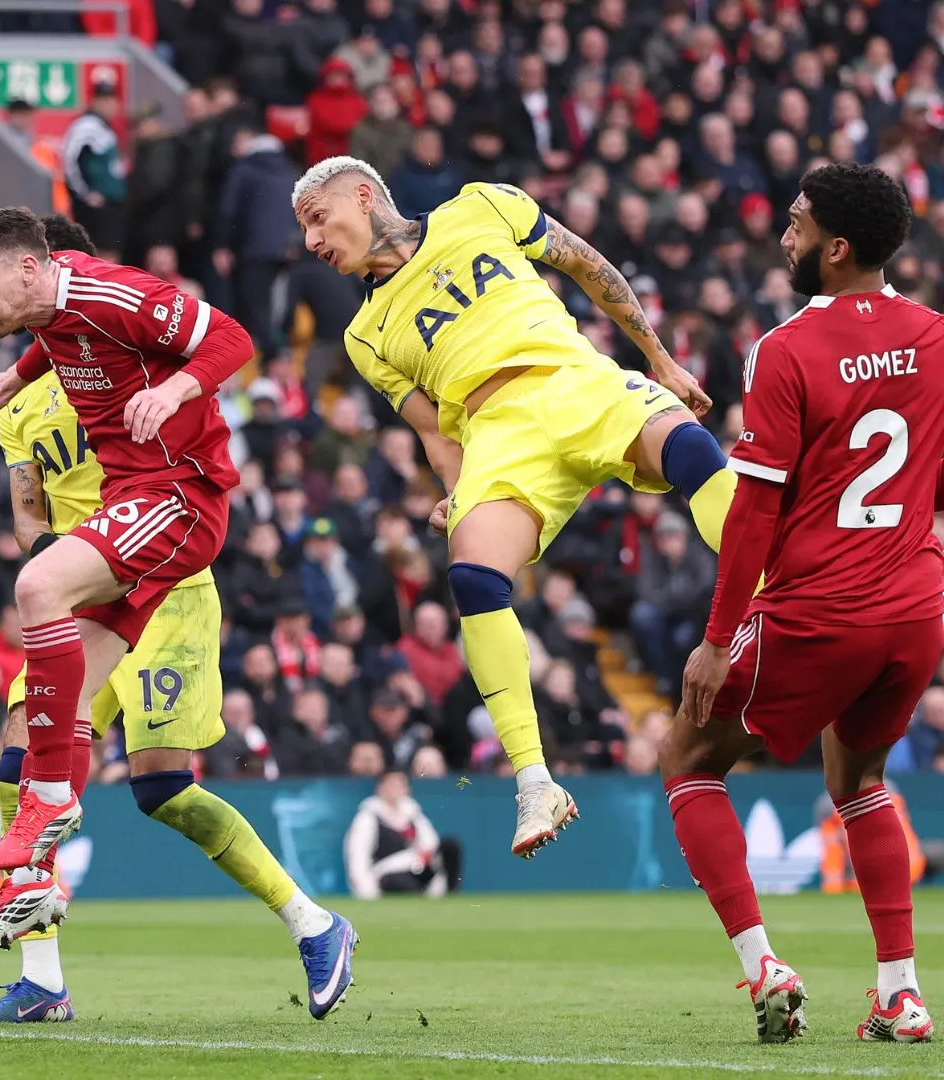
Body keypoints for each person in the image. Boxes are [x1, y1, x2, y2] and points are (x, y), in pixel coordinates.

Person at [0, 207, 357, 1020]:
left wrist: (176, 390)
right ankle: (42, 974)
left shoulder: (116, 315)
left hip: (167, 563)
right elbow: (29, 510)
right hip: (83, 574)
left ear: (45, 270)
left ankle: (310, 921)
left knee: (162, 788)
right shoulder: (30, 383)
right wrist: (11, 399)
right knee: (15, 765)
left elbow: (218, 339)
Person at [290, 157, 735, 858]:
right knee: (472, 576)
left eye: (317, 219)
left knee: (694, 451)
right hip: (498, 434)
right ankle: (534, 780)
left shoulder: (482, 206)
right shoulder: (363, 335)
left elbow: (589, 265)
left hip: (576, 381)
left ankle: (780, 604)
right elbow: (435, 431)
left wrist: (660, 359)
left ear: (364, 195)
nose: (313, 241)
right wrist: (458, 493)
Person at [667, 164, 944, 1046]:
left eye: (798, 224)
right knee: (859, 783)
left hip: (820, 611)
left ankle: (762, 969)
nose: (786, 237)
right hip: (916, 610)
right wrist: (890, 511)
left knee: (688, 755)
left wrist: (714, 641)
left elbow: (753, 513)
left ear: (836, 246)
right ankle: (901, 995)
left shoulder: (784, 350)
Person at [345, 770, 461, 898]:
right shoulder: (368, 818)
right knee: (401, 884)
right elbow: (358, 858)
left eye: (399, 784)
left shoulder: (414, 815)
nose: (395, 789)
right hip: (387, 874)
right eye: (390, 784)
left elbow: (431, 845)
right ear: (379, 788)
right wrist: (368, 892)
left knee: (451, 846)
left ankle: (450, 895)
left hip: (417, 869)